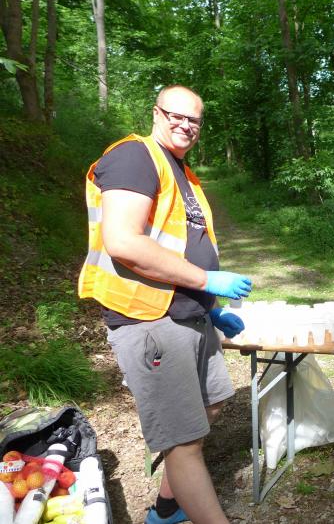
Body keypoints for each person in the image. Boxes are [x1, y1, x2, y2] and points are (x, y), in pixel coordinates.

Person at [78, 85, 252, 524]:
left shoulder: (183, 172)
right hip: (149, 319)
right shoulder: (135, 157)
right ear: (156, 113)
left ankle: (169, 506)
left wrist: (210, 306)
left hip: (188, 313)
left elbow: (179, 244)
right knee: (184, 441)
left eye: (194, 119)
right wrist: (207, 279)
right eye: (176, 115)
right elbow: (124, 242)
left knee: (211, 404)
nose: (185, 125)